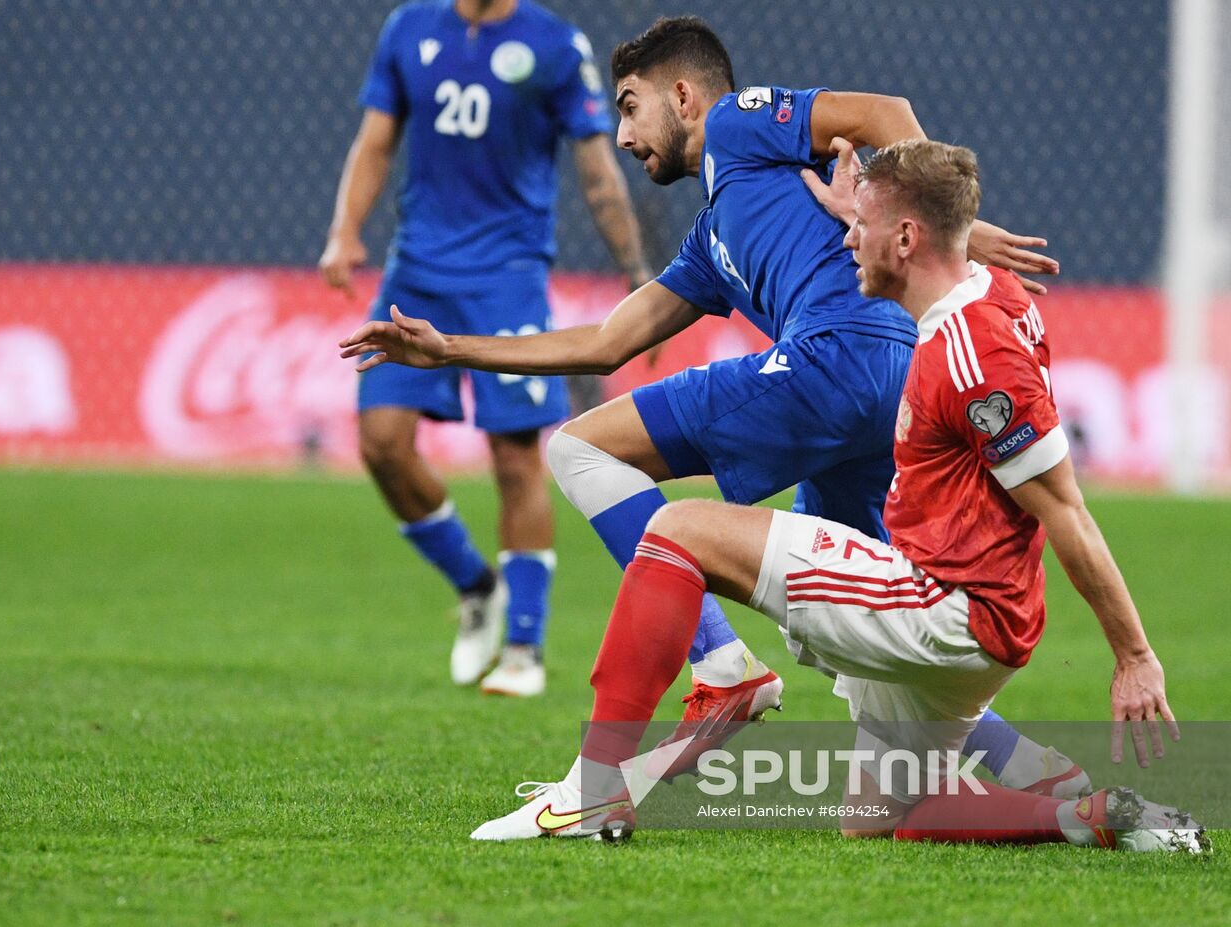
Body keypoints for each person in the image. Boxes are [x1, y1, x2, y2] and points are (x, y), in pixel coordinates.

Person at [340, 16, 1082, 795]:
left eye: (630, 106)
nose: (623, 135)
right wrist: (452, 349)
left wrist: (945, 229)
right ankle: (1047, 779)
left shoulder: (738, 123)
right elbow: (605, 341)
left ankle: (722, 662)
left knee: (578, 448)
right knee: (848, 634)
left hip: (833, 360)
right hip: (886, 390)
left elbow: (884, 111)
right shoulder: (712, 236)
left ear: (685, 95)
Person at [465, 137, 1206, 851]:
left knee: (679, 532)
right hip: (980, 626)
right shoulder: (988, 294)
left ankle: (594, 790)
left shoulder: (975, 355)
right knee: (874, 818)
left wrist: (1135, 654)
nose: (848, 241)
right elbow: (920, 257)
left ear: (909, 238)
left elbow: (1067, 511)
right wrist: (860, 202)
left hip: (943, 607)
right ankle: (1093, 814)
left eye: (864, 227)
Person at [321, 0, 655, 696]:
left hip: (508, 278)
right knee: (381, 443)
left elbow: (597, 167)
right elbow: (375, 140)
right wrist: (344, 229)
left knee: (513, 456)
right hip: (416, 270)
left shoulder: (555, 45)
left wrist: (636, 269)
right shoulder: (408, 28)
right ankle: (476, 585)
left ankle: (525, 649)